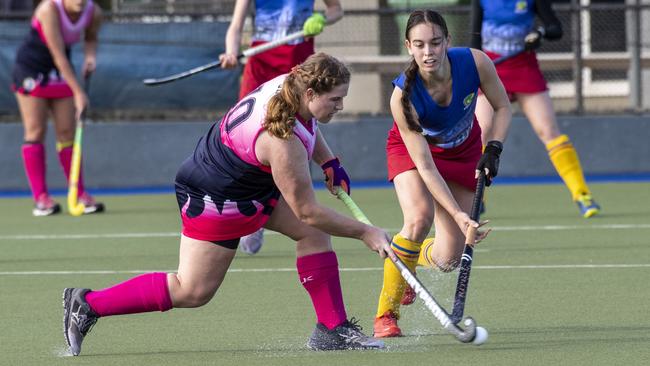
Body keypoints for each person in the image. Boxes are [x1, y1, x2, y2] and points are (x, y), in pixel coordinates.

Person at [62, 53, 390, 356]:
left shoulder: (289, 85)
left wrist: (329, 162)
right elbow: (307, 210)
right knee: (192, 290)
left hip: (245, 179)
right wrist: (366, 233)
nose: (341, 105)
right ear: (310, 93)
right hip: (218, 194)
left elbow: (311, 125)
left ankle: (333, 329)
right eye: (335, 99)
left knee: (313, 235)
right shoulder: (282, 141)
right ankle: (88, 304)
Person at [372, 9, 512, 338]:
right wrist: (459, 216)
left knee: (449, 259)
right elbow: (425, 167)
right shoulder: (403, 96)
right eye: (419, 44)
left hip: (464, 151)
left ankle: (404, 264)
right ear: (408, 46)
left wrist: (493, 149)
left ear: (447, 41)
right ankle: (385, 316)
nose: (428, 51)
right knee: (418, 218)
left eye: (435, 42)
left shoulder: (475, 63)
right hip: (415, 154)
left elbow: (503, 106)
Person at [219, 0, 344, 255]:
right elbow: (235, 27)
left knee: (298, 141)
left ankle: (305, 212)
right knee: (254, 146)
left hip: (298, 70)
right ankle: (252, 212)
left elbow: (337, 10)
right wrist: (231, 51)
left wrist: (322, 19)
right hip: (260, 67)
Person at [471, 0, 600, 218]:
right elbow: (474, 40)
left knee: (548, 131)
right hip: (491, 69)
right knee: (482, 131)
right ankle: (477, 196)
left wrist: (539, 33)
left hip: (524, 68)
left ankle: (582, 195)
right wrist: (474, 70)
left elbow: (555, 28)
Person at [12, 0, 104, 216]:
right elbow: (58, 53)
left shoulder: (94, 12)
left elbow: (90, 37)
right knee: (35, 131)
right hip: (31, 69)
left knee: (66, 132)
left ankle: (79, 193)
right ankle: (41, 198)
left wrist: (90, 57)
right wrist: (79, 92)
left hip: (61, 71)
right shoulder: (48, 9)